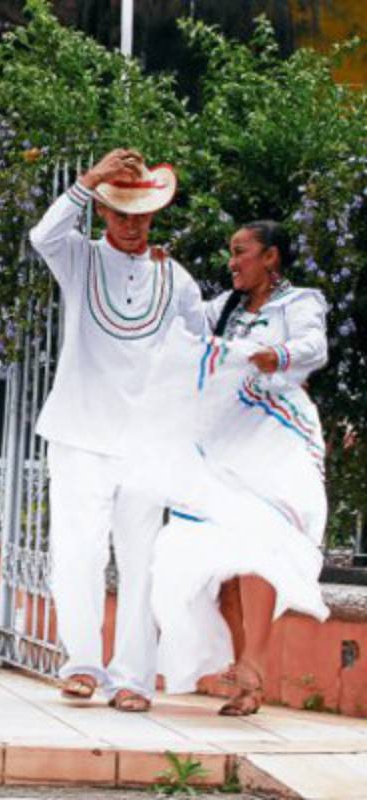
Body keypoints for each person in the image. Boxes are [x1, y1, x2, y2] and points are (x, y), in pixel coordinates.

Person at [28, 148, 206, 712]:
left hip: (147, 440)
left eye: (141, 215)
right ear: (103, 212)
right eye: (122, 213)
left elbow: (199, 352)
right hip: (79, 430)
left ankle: (133, 678)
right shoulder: (79, 258)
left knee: (142, 560)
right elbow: (43, 235)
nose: (132, 225)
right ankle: (82, 665)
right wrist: (89, 180)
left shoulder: (176, 278)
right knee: (76, 552)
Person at [140, 221, 329, 715]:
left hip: (278, 434)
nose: (233, 261)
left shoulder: (300, 302)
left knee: (259, 542)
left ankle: (253, 663)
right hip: (227, 438)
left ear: (271, 257)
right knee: (218, 556)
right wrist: (163, 273)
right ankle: (249, 678)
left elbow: (314, 346)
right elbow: (184, 322)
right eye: (231, 252)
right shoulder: (225, 308)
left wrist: (276, 356)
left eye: (241, 251)